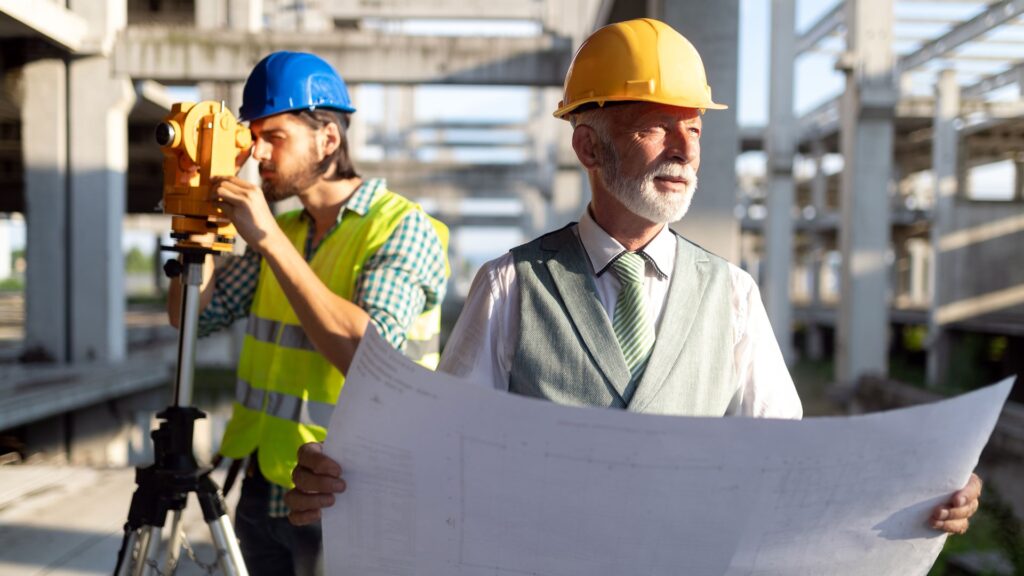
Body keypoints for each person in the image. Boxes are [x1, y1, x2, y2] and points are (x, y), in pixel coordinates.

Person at [283, 19, 981, 536]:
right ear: (589, 144)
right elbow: (447, 456)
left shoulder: (731, 294)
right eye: (656, 127)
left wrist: (921, 493)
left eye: (696, 130)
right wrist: (348, 485)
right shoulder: (512, 285)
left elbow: (787, 463)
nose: (684, 149)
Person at [166, 51, 449, 575]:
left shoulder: (401, 228)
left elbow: (371, 357)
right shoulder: (290, 232)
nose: (261, 155)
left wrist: (268, 238)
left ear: (328, 140)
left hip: (348, 489)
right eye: (255, 138)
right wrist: (198, 227)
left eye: (276, 136)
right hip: (262, 486)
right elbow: (191, 318)